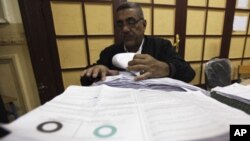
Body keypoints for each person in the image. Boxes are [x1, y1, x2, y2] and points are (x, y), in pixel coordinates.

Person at [80, 2, 195, 85]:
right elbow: (84, 81)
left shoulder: (162, 46)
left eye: (131, 22)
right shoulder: (110, 52)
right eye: (120, 24)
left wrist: (166, 68)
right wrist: (96, 71)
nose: (125, 29)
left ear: (144, 25)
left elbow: (189, 73)